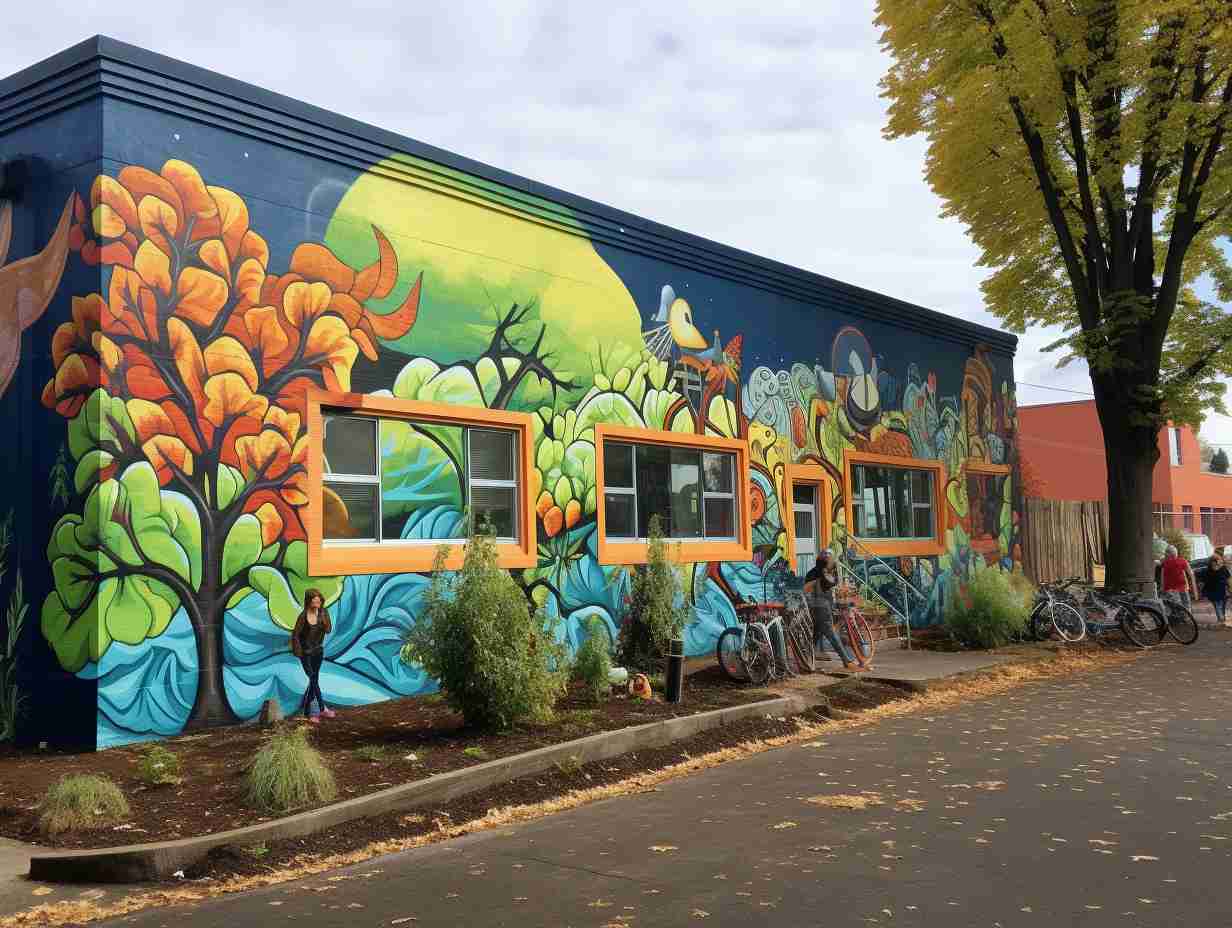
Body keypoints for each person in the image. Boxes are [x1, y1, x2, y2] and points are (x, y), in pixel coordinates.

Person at [804, 551, 866, 671]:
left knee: (816, 635)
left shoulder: (828, 572)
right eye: (830, 560)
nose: (833, 562)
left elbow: (832, 586)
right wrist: (817, 582)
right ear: (824, 562)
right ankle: (847, 661)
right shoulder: (814, 573)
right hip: (819, 608)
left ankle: (806, 658)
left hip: (825, 607)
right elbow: (806, 589)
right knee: (832, 634)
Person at [291, 588, 335, 723]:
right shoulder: (303, 616)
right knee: (313, 680)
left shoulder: (323, 613)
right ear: (309, 601)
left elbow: (328, 630)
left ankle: (308, 712)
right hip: (306, 654)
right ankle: (321, 709)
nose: (317, 602)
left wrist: (322, 615)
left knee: (313, 680)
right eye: (315, 600)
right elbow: (295, 635)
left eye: (319, 600)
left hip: (318, 652)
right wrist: (299, 652)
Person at [1202, 547, 1230, 624]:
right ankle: (1221, 618)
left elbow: (1205, 581)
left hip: (1215, 591)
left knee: (1218, 605)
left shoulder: (1208, 570)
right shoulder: (1223, 568)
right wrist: (1229, 588)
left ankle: (1220, 619)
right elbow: (1228, 579)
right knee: (1220, 605)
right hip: (1221, 590)